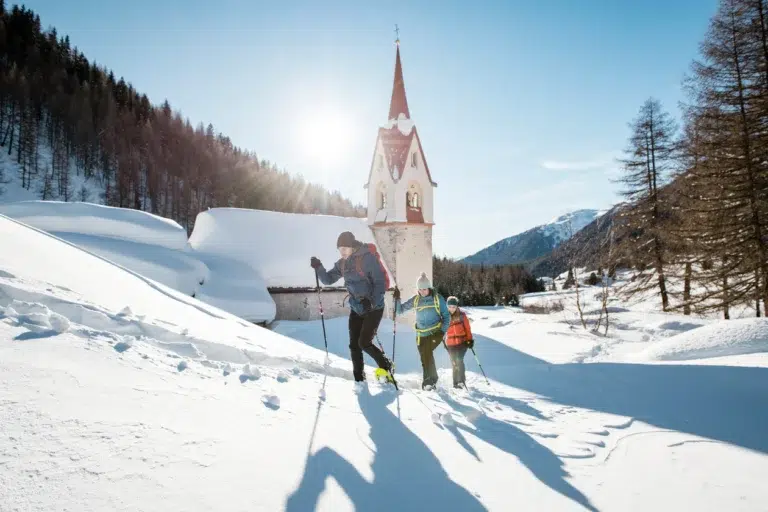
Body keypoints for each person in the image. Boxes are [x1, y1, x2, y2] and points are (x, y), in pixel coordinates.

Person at [310, 231, 394, 384]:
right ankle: (359, 379)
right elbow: (328, 279)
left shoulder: (367, 259)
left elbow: (380, 283)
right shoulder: (342, 264)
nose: (341, 251)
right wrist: (319, 267)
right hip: (356, 308)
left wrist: (372, 302)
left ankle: (386, 367)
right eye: (339, 249)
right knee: (354, 345)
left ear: (352, 247)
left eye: (344, 248)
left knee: (364, 343)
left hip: (373, 308)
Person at [394, 272, 450, 390]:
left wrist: (442, 331)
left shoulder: (437, 299)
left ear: (429, 288)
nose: (423, 292)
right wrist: (397, 298)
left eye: (425, 289)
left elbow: (446, 316)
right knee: (425, 356)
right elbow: (399, 311)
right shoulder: (416, 300)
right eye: (420, 289)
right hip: (421, 335)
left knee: (426, 354)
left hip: (435, 333)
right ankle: (433, 378)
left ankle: (428, 382)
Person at [444, 296, 474, 389]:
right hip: (450, 344)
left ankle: (461, 381)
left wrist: (469, 340)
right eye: (450, 307)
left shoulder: (462, 316)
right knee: (454, 362)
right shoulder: (444, 317)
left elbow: (467, 329)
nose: (452, 309)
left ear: (456, 307)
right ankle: (455, 382)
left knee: (459, 360)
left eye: (453, 307)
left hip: (462, 343)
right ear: (447, 307)